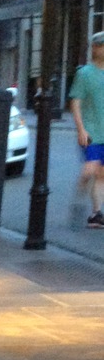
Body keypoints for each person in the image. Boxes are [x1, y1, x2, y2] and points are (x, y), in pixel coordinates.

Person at [69, 31, 104, 229]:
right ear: (95, 48)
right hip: (90, 131)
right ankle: (78, 200)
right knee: (90, 169)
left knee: (101, 174)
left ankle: (96, 214)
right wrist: (81, 129)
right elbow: (75, 102)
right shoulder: (84, 74)